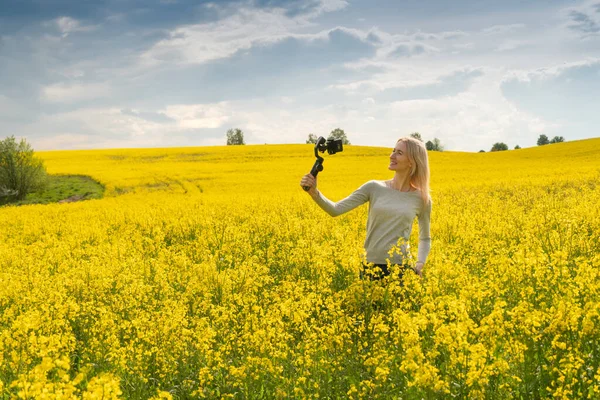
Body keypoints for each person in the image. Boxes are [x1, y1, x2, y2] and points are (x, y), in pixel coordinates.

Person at [299, 137, 432, 281]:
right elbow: (335, 210)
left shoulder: (421, 198)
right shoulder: (373, 187)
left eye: (399, 153)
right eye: (393, 151)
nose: (391, 156)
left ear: (412, 161)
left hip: (402, 268)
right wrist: (314, 193)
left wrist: (419, 264)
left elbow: (425, 237)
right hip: (370, 266)